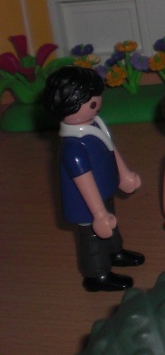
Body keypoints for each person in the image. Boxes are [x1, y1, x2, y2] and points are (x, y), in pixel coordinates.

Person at [42, 66, 145, 292]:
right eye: (89, 102)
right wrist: (98, 213)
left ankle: (115, 252)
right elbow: (83, 180)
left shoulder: (94, 124)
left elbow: (110, 148)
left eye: (96, 98)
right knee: (92, 238)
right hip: (85, 204)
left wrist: (124, 174)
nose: (97, 103)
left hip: (104, 189)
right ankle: (97, 274)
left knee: (111, 224)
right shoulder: (73, 147)